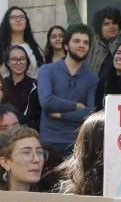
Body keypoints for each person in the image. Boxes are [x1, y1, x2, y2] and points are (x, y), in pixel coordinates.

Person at [37, 24, 98, 155]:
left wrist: (60, 114)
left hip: (78, 143)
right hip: (49, 142)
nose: (81, 45)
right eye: (76, 41)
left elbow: (90, 112)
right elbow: (47, 102)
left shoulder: (93, 79)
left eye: (85, 42)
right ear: (66, 45)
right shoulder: (47, 70)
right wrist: (76, 106)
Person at [0, 126, 46, 191]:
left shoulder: (48, 199)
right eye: (26, 153)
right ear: (5, 162)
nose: (37, 159)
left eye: (39, 152)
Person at [0, 7, 45, 77]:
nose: (18, 20)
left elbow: (40, 74)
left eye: (22, 17)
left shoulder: (35, 49)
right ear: (7, 22)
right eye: (13, 17)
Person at [3, 45, 40, 128]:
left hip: (28, 132)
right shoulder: (2, 84)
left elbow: (39, 116)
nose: (19, 62)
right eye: (14, 59)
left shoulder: (35, 85)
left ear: (27, 61)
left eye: (22, 59)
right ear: (8, 62)